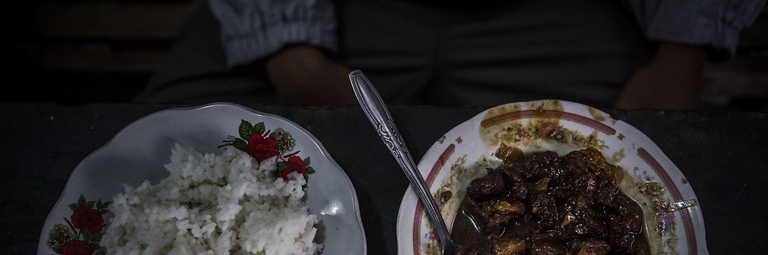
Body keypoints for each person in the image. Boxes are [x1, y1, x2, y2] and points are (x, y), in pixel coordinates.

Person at [135, 0, 766, 110]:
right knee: (158, 143)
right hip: (338, 10)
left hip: (563, 16)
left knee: (637, 173)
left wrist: (684, 44)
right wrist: (284, 41)